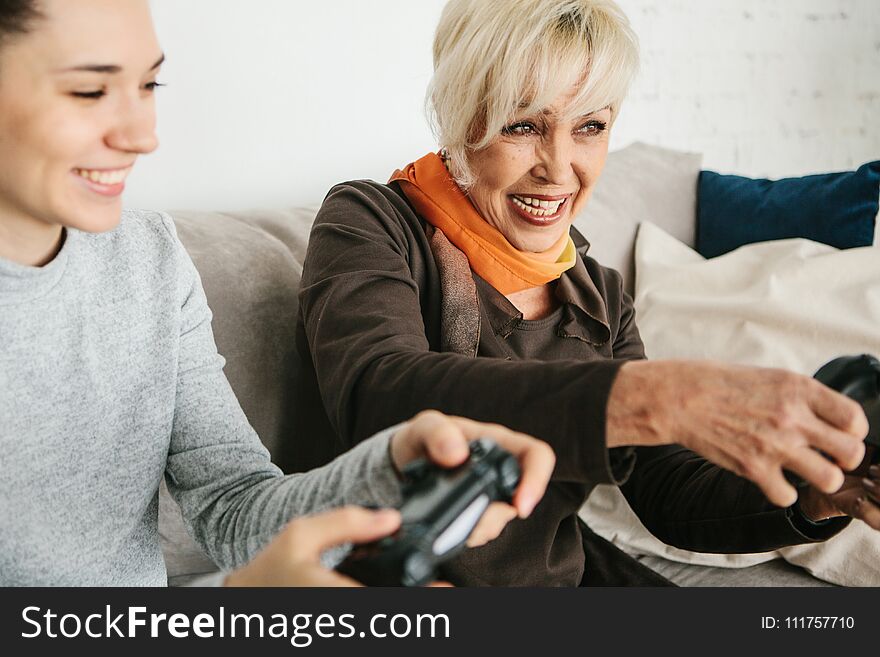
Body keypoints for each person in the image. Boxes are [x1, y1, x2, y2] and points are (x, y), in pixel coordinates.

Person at [292, 0, 880, 586]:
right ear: (459, 118)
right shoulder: (370, 222)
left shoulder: (597, 292)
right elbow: (381, 395)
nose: (559, 167)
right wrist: (651, 398)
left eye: (589, 127)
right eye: (522, 125)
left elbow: (668, 493)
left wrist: (815, 498)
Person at [0, 0, 555, 587]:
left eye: (148, 84)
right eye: (89, 91)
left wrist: (388, 471)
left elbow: (232, 505)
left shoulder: (148, 257)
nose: (144, 136)